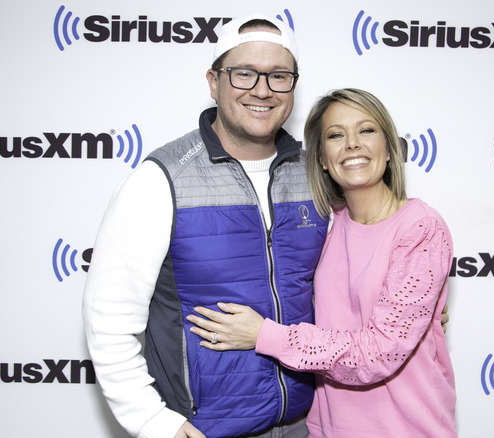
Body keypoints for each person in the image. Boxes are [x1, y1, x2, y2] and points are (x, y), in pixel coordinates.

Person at [82, 14, 328, 438]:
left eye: (279, 76)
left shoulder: (316, 173)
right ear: (214, 82)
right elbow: (108, 316)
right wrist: (153, 422)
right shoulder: (161, 179)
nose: (263, 90)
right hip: (203, 430)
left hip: (308, 425)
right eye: (244, 73)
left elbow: (353, 269)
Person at [187, 88, 457, 437]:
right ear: (322, 159)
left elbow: (378, 353)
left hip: (406, 427)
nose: (352, 144)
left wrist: (263, 335)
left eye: (366, 130)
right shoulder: (325, 223)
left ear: (389, 149)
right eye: (335, 135)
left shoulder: (420, 227)